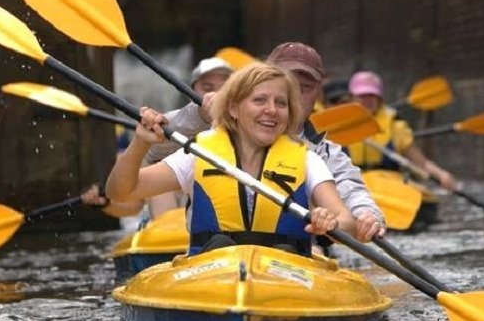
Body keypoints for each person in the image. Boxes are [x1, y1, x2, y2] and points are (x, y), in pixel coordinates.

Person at [143, 42, 387, 242]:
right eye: (289, 82)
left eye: (307, 87)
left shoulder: (322, 155)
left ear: (318, 94)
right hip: (213, 256)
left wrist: (368, 217)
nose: (295, 93)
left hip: (295, 259)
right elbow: (153, 150)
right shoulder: (216, 128)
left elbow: (352, 196)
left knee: (317, 250)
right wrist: (201, 116)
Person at [106, 63, 354, 254]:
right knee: (218, 244)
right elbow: (121, 192)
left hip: (285, 275)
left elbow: (347, 222)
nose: (272, 110)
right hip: (213, 273)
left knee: (285, 250)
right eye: (259, 100)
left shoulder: (307, 160)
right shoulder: (200, 154)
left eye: (281, 103)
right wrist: (139, 144)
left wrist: (331, 223)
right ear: (233, 108)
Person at [143, 56, 235, 218]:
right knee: (162, 176)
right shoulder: (178, 118)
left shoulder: (251, 121)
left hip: (226, 199)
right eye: (207, 87)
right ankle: (167, 232)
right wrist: (203, 117)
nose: (215, 94)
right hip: (180, 202)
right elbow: (152, 150)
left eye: (224, 88)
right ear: (191, 92)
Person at [346, 70, 458, 191]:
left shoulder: (395, 126)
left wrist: (441, 175)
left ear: (379, 99)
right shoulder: (339, 125)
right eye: (362, 96)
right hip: (352, 185)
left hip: (388, 187)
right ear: (351, 97)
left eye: (372, 96)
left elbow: (421, 162)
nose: (367, 101)